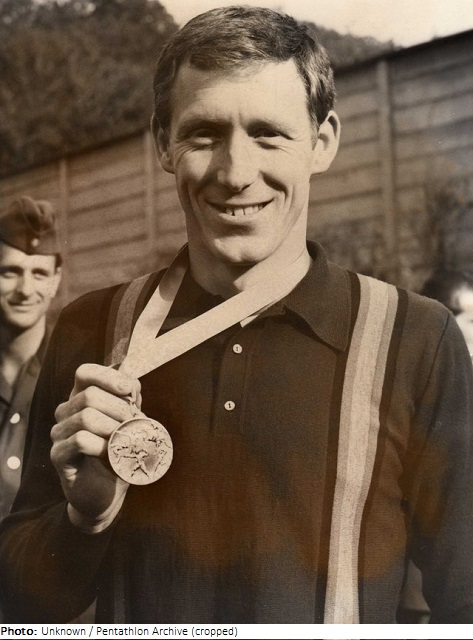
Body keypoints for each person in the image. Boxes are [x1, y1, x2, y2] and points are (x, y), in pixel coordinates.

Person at [1, 6, 473, 624]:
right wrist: (84, 519)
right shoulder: (92, 328)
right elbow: (21, 611)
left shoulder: (416, 339)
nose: (235, 174)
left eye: (268, 134)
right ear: (163, 144)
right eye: (204, 134)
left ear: (322, 142)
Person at [0, 196, 62, 523]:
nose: (25, 290)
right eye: (10, 272)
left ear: (56, 280)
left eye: (39, 273)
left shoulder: (73, 370)